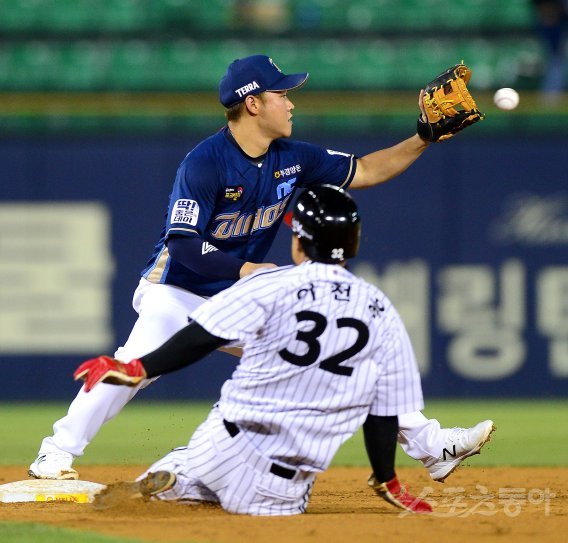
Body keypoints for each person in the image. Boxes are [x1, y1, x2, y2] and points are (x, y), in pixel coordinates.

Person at [28, 54, 494, 482]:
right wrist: (244, 268)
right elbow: (184, 248)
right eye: (282, 94)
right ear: (252, 104)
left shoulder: (293, 157)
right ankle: (56, 452)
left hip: (242, 293)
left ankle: (433, 448)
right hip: (177, 290)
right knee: (136, 364)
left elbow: (366, 171)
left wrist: (422, 138)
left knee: (334, 351)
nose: (291, 103)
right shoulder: (204, 163)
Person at [75, 185, 434, 516]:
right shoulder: (380, 308)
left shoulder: (270, 284)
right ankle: (189, 483)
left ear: (298, 242)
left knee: (200, 457)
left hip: (217, 445)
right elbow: (384, 408)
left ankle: (181, 476)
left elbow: (202, 335)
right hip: (279, 485)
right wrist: (387, 477)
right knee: (268, 499)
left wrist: (139, 367)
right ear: (354, 243)